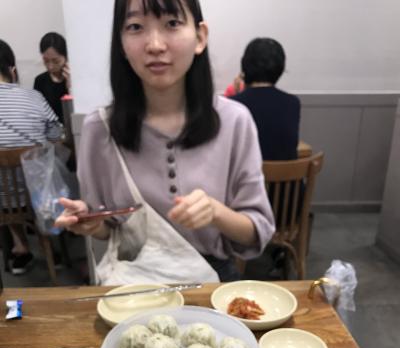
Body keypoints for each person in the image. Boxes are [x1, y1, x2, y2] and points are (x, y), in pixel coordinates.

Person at [55, 0, 275, 283]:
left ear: (200, 37)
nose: (155, 45)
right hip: (133, 283)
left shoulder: (235, 121)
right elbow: (108, 228)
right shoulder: (99, 129)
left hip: (211, 279)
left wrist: (215, 212)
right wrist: (90, 224)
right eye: (136, 27)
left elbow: (257, 232)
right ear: (121, 44)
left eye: (172, 23)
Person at [0, 39, 62, 274]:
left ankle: (21, 246)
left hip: (3, 201)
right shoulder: (34, 97)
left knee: (5, 192)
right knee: (41, 170)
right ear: (12, 70)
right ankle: (49, 243)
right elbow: (55, 134)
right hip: (38, 193)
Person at [231, 38, 300, 160]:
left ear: (244, 66)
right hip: (287, 173)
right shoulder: (293, 103)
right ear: (280, 68)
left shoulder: (234, 105)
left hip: (247, 173)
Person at [34, 32, 70, 124]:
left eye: (56, 61)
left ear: (66, 57)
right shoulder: (40, 81)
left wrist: (71, 88)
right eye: (46, 61)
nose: (50, 66)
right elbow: (38, 113)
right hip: (50, 130)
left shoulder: (74, 78)